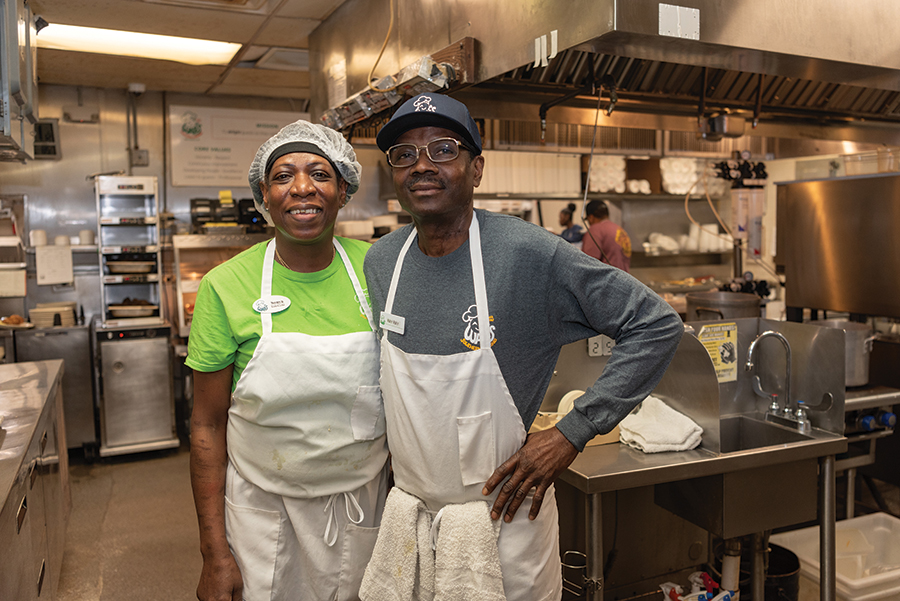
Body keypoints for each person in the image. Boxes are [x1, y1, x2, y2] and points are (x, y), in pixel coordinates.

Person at [361, 93, 683, 600]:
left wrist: (572, 432)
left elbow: (656, 323)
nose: (422, 166)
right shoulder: (383, 262)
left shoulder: (529, 253)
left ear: (477, 168)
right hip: (413, 526)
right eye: (404, 154)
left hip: (504, 524)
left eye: (443, 149)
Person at [187, 121, 389, 601]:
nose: (302, 188)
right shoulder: (225, 286)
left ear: (343, 190)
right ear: (264, 194)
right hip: (262, 511)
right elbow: (207, 426)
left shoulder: (380, 269)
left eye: (319, 173)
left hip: (364, 506)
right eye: (283, 176)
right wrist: (214, 554)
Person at [581, 198, 632, 272]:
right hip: (624, 280)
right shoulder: (620, 230)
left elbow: (589, 263)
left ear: (591, 217)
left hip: (606, 282)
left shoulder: (594, 230)